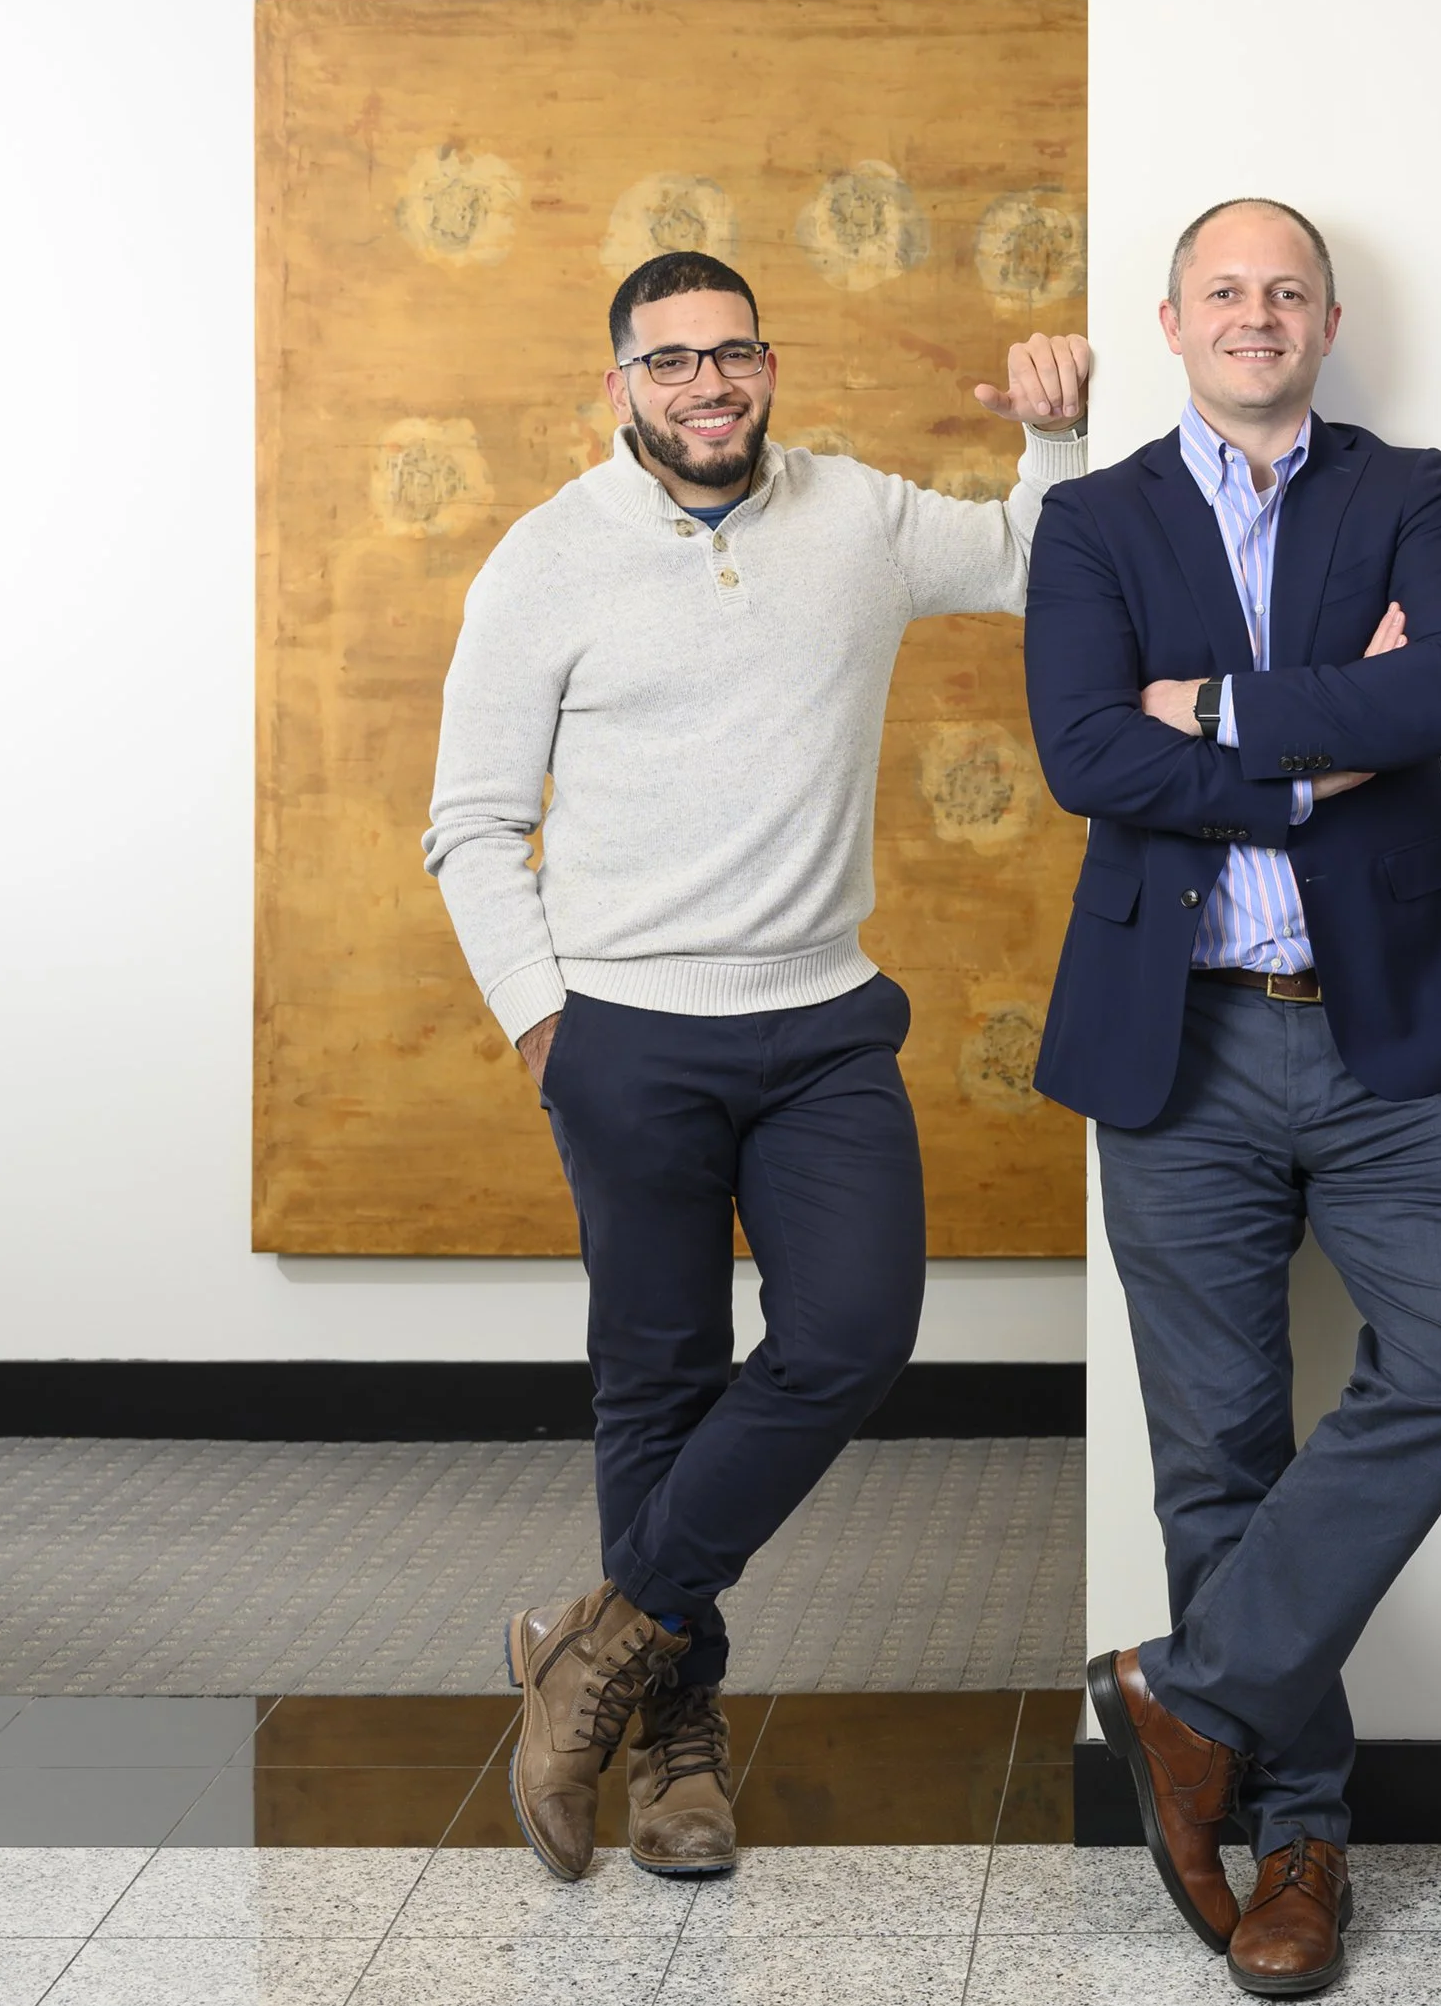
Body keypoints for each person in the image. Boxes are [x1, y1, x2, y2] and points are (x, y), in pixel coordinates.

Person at [422, 249, 1089, 1883]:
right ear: (621, 385)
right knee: (656, 1380)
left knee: (853, 1331)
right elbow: (470, 821)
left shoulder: (851, 516)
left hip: (820, 1021)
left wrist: (1058, 437)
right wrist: (541, 1017)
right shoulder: (545, 561)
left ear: (770, 364)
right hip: (625, 1033)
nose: (708, 387)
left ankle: (594, 1644)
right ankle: (672, 1750)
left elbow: (1025, 562)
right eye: (671, 364)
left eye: (733, 357)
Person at [1024, 198, 1441, 1995]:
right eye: (1223, 291)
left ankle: (1190, 1697)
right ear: (1172, 322)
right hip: (1183, 1043)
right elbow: (1085, 748)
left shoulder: (1417, 491)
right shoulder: (1094, 519)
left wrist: (1216, 713)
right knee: (1218, 1449)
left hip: (1392, 1022)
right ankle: (1296, 1841)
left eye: (1286, 291)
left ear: (1325, 320)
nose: (1256, 315)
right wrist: (1322, 754)